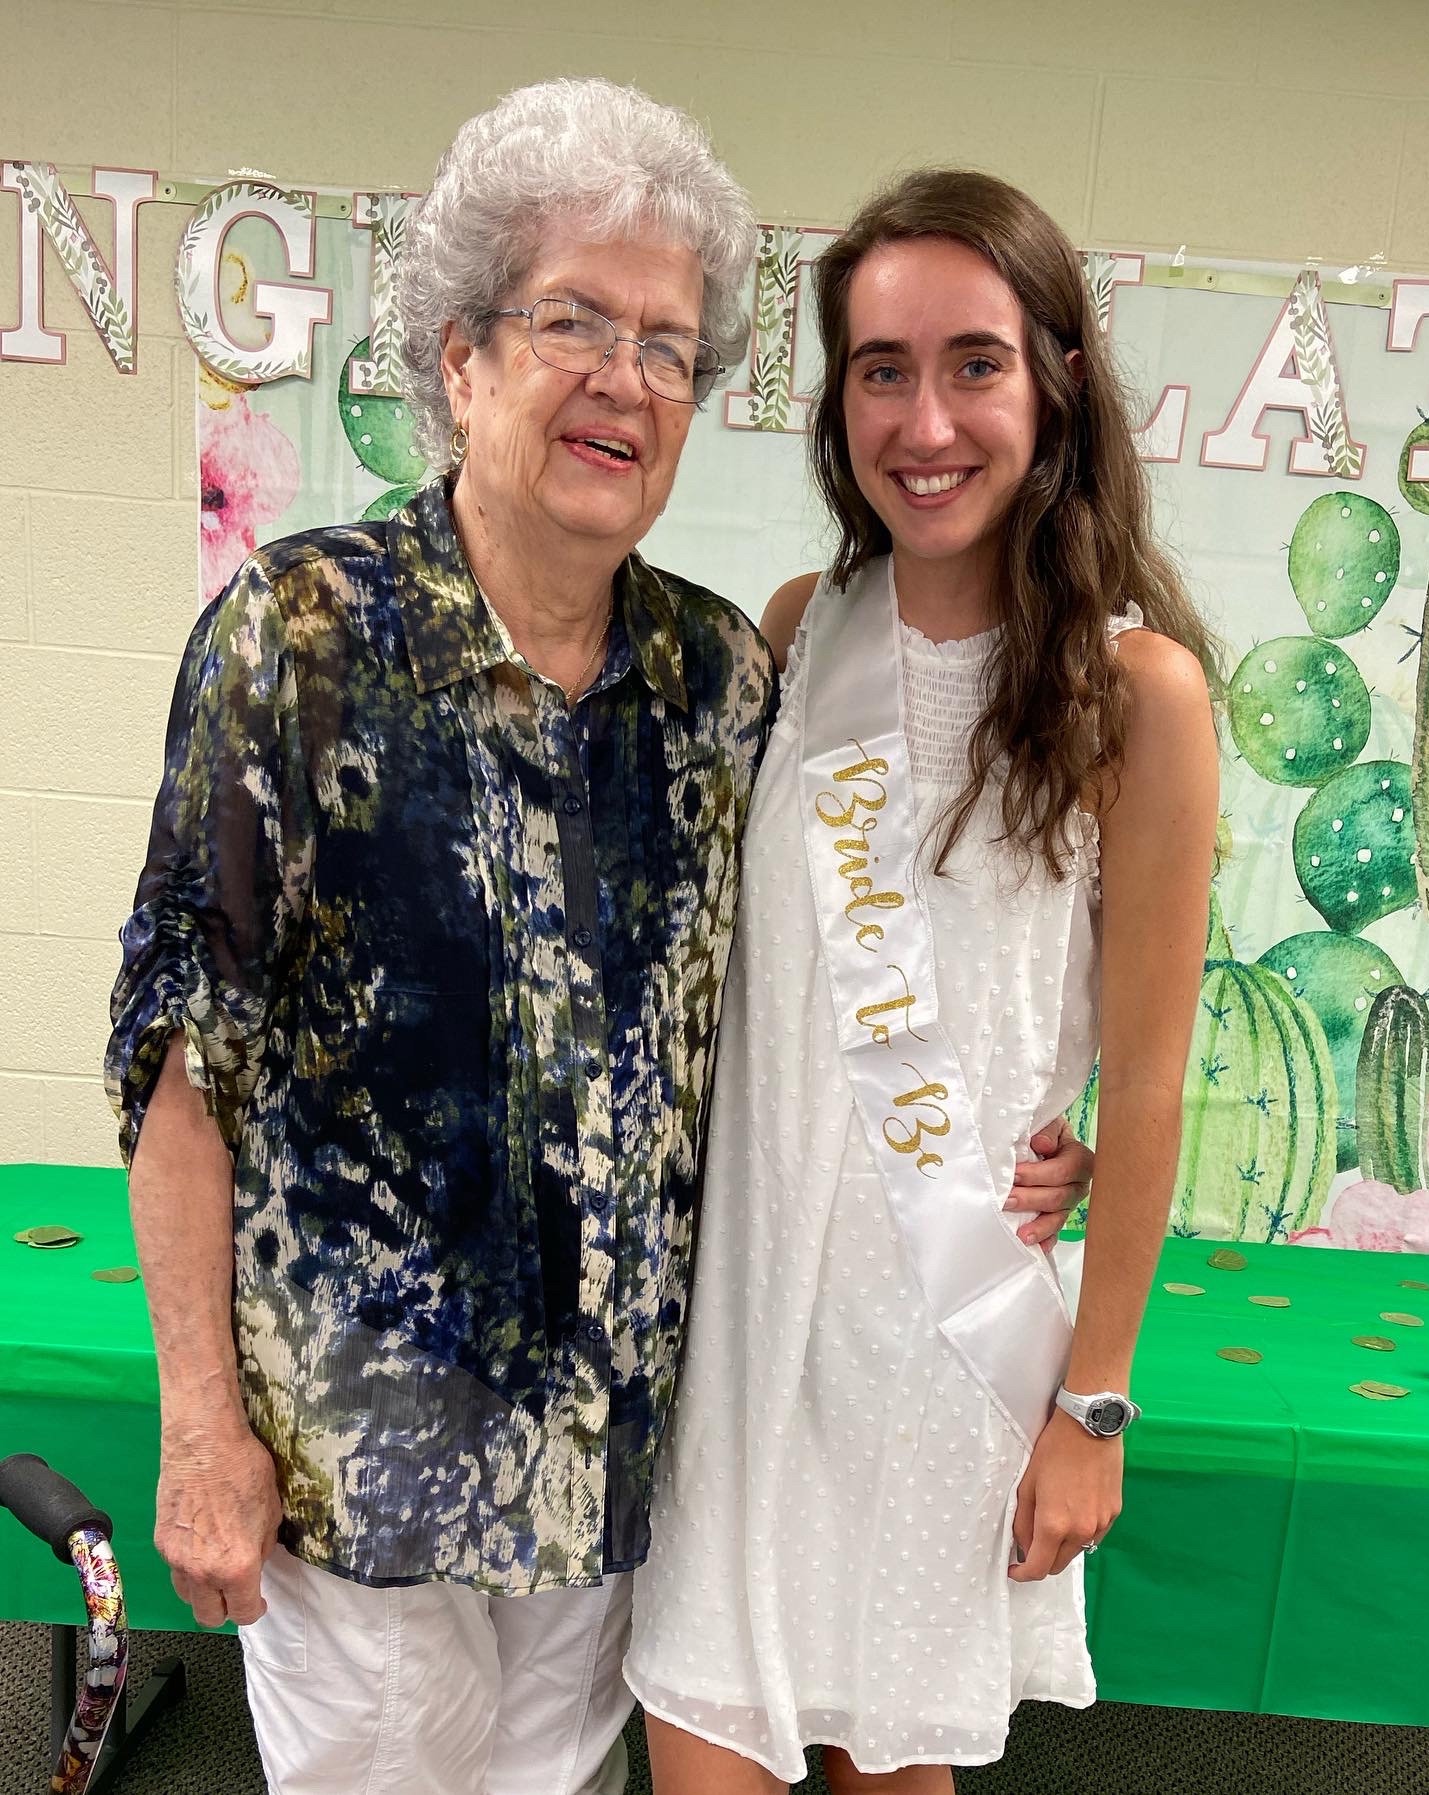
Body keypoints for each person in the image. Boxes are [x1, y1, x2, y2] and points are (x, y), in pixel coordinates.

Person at [104, 84, 1094, 1795]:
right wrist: (200, 1426)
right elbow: (183, 1061)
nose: (625, 380)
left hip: (619, 1475)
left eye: (669, 347)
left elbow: (824, 993)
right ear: (462, 356)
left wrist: (1038, 1129)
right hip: (365, 1474)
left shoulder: (723, 681)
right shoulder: (298, 637)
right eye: (573, 322)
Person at [626, 169, 1219, 1793]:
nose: (926, 420)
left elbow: (1147, 1078)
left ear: (1058, 381)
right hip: (746, 1348)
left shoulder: (1138, 695)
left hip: (942, 1350)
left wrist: (1090, 1406)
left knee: (892, 1772)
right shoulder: (798, 631)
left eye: (975, 363)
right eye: (882, 369)